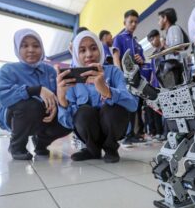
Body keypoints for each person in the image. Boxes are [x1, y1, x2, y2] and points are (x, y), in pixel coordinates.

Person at [57, 30, 138, 163]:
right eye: (82, 50)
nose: (89, 54)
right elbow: (69, 123)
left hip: (114, 127)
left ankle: (111, 149)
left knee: (112, 108)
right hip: (88, 132)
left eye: (93, 48)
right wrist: (61, 99)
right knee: (83, 112)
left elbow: (133, 105)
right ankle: (91, 150)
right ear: (76, 54)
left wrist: (107, 91)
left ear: (100, 49)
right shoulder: (72, 80)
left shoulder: (113, 71)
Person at [0, 29, 72, 160]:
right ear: (17, 48)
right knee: (32, 105)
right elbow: (0, 92)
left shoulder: (50, 71)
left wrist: (57, 105)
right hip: (14, 115)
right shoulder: (8, 69)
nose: (31, 50)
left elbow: (58, 93)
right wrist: (35, 90)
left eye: (36, 45)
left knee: (68, 117)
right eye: (24, 45)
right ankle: (17, 146)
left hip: (44, 115)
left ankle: (41, 143)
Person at [112, 9, 146, 145]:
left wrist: (140, 60)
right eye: (130, 21)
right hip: (125, 78)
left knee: (135, 106)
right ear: (124, 22)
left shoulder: (137, 44)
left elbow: (142, 62)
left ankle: (133, 134)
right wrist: (120, 76)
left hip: (136, 79)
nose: (133, 24)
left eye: (135, 22)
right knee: (125, 105)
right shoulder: (119, 38)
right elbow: (116, 57)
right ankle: (125, 135)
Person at [145, 29, 165, 141]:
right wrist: (151, 85)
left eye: (153, 39)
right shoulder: (153, 55)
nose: (152, 42)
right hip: (156, 86)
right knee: (157, 110)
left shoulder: (165, 50)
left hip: (166, 85)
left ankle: (167, 132)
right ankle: (159, 133)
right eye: (150, 41)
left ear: (158, 36)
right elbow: (153, 72)